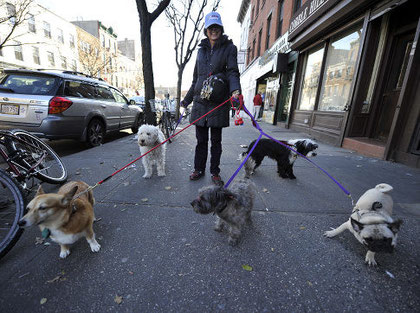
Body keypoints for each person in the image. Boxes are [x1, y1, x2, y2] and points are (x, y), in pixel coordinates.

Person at [180, 11, 241, 185]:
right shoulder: (200, 51)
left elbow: (232, 72)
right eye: (210, 27)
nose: (214, 30)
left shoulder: (229, 48)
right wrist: (186, 100)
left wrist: (235, 91)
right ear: (206, 30)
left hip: (217, 102)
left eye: (217, 27)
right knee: (201, 141)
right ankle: (198, 169)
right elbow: (196, 79)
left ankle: (215, 172)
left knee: (216, 141)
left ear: (221, 28)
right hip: (200, 102)